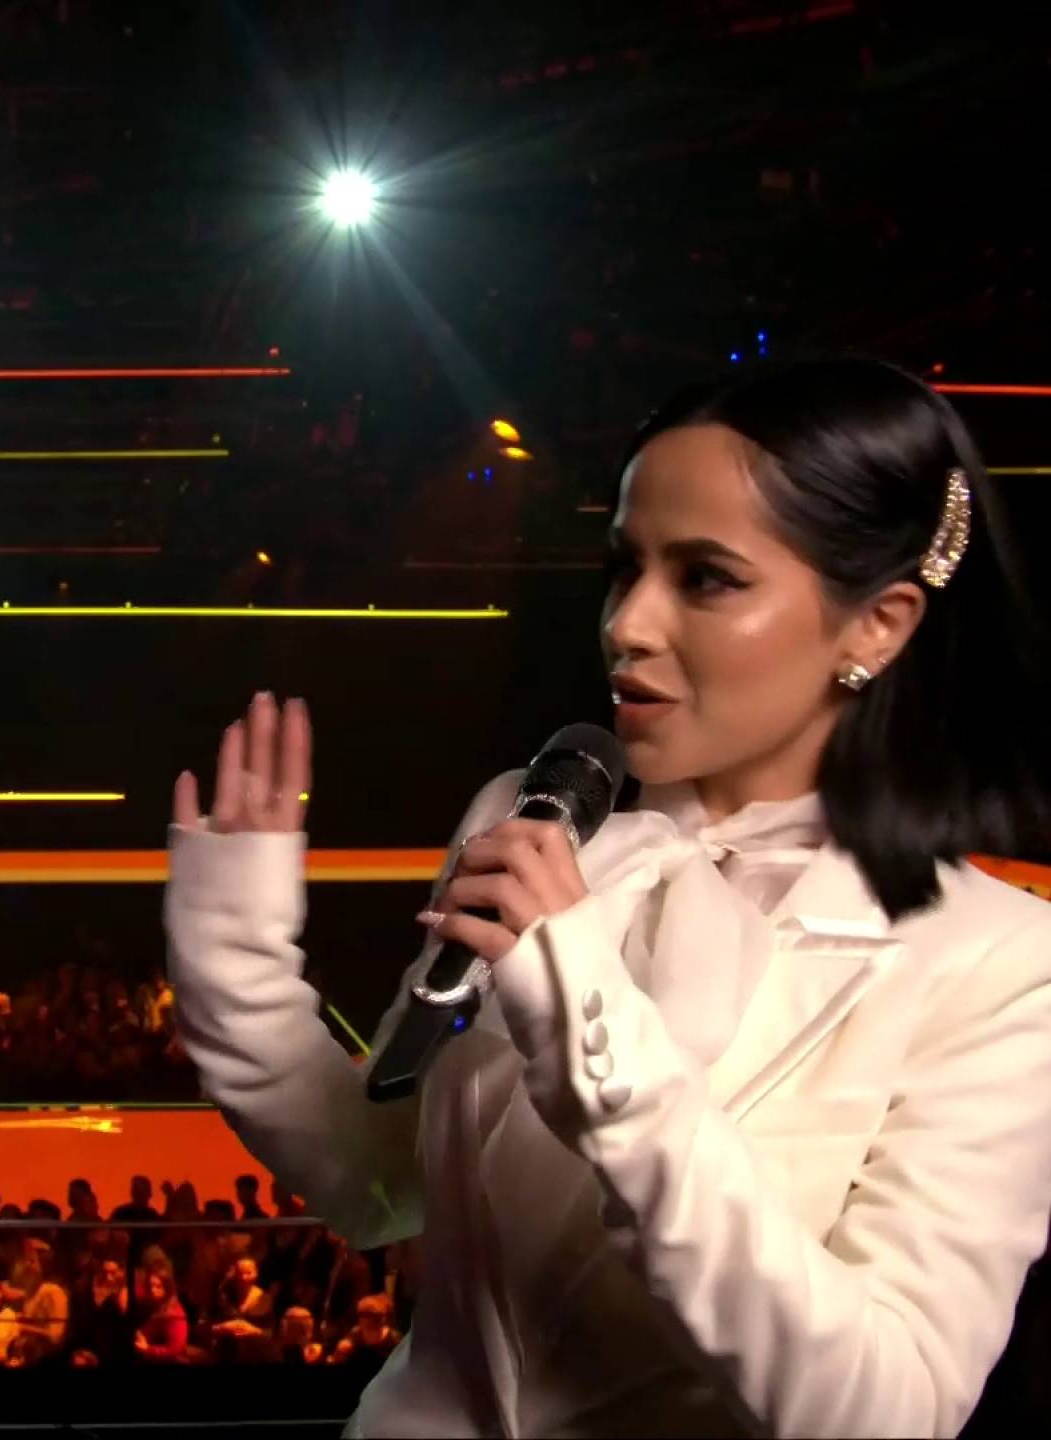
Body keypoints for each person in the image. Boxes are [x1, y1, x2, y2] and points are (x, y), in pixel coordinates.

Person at [166, 359, 1051, 1436]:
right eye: (624, 565)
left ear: (880, 624)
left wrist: (597, 1043)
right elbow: (375, 1181)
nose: (628, 623)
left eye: (707, 578)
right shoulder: (532, 822)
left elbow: (885, 1409)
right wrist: (234, 957)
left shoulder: (1002, 964)